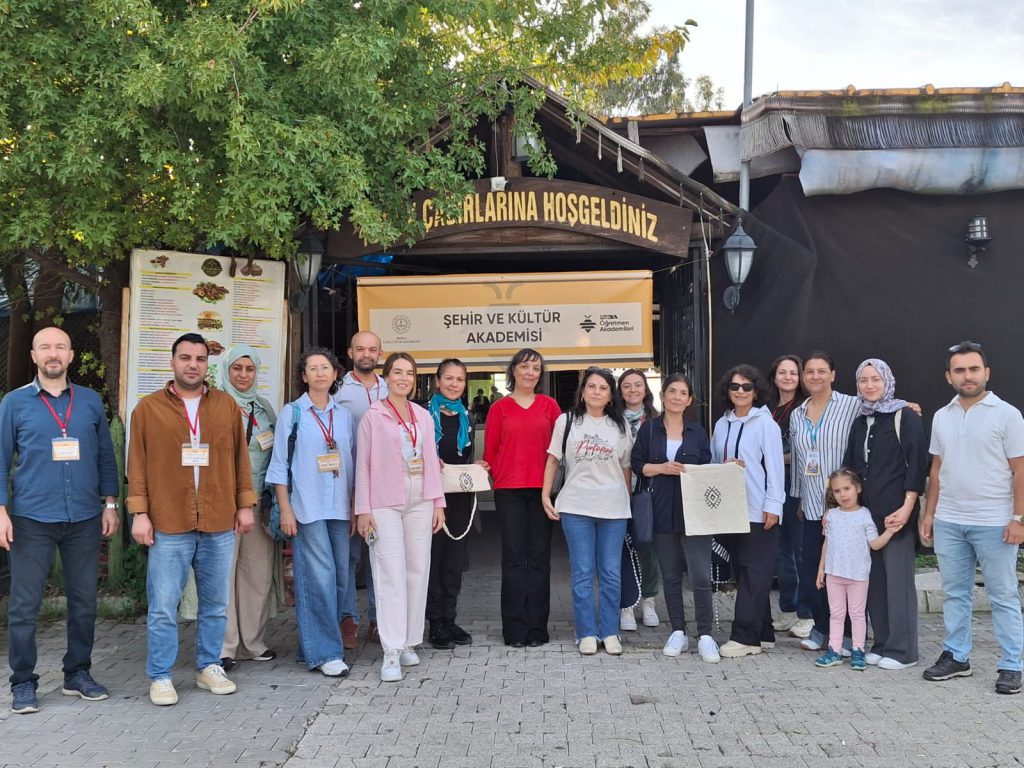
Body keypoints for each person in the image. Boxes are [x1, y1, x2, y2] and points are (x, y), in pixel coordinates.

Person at [128, 333, 256, 706]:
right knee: (164, 605)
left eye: (199, 359)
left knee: (215, 604)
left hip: (218, 520)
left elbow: (239, 461)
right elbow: (136, 464)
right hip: (168, 521)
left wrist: (244, 504)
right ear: (172, 362)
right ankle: (161, 676)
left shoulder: (226, 407)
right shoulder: (148, 410)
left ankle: (208, 666)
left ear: (207, 365)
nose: (192, 365)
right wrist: (140, 513)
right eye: (185, 357)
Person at [0, 327, 120, 714]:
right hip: (30, 519)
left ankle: (77, 673)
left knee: (84, 603)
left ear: (71, 355)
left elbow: (105, 455)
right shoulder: (14, 403)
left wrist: (111, 503)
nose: (53, 354)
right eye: (45, 347)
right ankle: (22, 681)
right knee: (23, 606)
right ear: (33, 356)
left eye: (60, 347)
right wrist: (0, 510)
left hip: (84, 517)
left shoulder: (89, 402)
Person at [920, 341, 1024, 695]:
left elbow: (1020, 472)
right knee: (955, 593)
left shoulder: (1007, 415)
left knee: (1003, 595)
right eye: (960, 370)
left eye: (974, 369)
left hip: (995, 522)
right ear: (949, 377)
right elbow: (936, 469)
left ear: (986, 373)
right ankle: (957, 657)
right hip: (950, 520)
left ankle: (1012, 665)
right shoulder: (941, 416)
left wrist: (1019, 519)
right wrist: (930, 514)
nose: (968, 376)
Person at [355, 353, 446, 682]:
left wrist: (438, 502)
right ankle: (390, 650)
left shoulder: (422, 416)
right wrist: (362, 509)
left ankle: (409, 641)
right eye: (397, 372)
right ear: (386, 377)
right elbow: (363, 465)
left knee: (416, 570)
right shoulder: (373, 415)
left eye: (409, 373)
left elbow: (431, 460)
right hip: (384, 502)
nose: (403, 378)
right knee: (389, 571)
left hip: (420, 499)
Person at [267, 348, 355, 678]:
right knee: (318, 578)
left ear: (335, 375)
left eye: (325, 368)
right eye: (312, 368)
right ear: (303, 376)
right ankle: (326, 652)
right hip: (307, 508)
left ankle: (311, 647)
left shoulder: (344, 416)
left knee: (339, 580)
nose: (320, 373)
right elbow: (278, 467)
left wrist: (357, 507)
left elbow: (354, 464)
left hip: (340, 508)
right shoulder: (293, 414)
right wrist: (286, 509)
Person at [842, 358, 927, 670]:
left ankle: (904, 651)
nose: (869, 385)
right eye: (863, 380)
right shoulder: (860, 420)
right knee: (874, 580)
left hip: (896, 516)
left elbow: (917, 465)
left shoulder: (906, 416)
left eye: (875, 379)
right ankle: (882, 643)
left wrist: (907, 508)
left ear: (887, 381)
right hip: (867, 516)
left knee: (897, 581)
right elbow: (850, 467)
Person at [541, 368, 632, 656]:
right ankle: (586, 632)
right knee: (582, 572)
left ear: (610, 395)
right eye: (591, 386)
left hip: (613, 508)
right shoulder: (566, 421)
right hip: (576, 506)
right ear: (582, 392)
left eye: (603, 388)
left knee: (610, 573)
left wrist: (626, 499)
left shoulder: (620, 426)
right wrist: (545, 493)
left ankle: (610, 631)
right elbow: (553, 460)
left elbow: (626, 468)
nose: (596, 391)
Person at [630, 374, 717, 662]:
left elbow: (707, 469)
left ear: (689, 400)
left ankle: (705, 634)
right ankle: (678, 631)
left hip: (694, 512)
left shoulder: (698, 432)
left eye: (683, 393)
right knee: (670, 575)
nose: (677, 397)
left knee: (701, 575)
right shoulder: (649, 430)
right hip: (661, 509)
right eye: (672, 391)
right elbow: (638, 465)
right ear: (663, 395)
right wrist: (662, 468)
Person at [483, 349, 562, 647]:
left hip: (542, 491)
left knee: (540, 560)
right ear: (513, 370)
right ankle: (514, 630)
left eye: (536, 368)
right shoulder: (499, 409)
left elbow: (557, 452)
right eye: (525, 367)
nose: (530, 373)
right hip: (509, 492)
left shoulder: (549, 406)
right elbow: (490, 451)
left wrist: (550, 489)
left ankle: (538, 629)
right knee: (515, 559)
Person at [788, 352, 862, 652]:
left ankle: (845, 635)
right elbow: (799, 459)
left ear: (833, 374)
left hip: (844, 507)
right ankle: (820, 628)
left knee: (843, 572)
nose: (815, 376)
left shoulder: (851, 405)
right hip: (812, 505)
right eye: (809, 371)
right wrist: (799, 497)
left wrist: (905, 407)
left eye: (821, 371)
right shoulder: (798, 413)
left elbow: (881, 409)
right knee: (812, 573)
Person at [712, 365, 785, 659]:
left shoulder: (766, 424)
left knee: (755, 572)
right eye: (734, 386)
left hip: (758, 509)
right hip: (731, 510)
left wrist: (773, 506)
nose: (740, 392)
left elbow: (776, 470)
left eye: (746, 387)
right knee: (744, 572)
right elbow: (715, 464)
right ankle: (763, 631)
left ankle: (745, 637)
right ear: (727, 391)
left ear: (757, 391)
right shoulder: (721, 424)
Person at [219, 345, 279, 671]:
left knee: (256, 575)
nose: (243, 375)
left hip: (259, 504)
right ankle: (225, 647)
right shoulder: (213, 404)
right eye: (237, 368)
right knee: (224, 575)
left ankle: (252, 644)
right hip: (225, 505)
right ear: (226, 370)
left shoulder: (264, 408)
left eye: (249, 369)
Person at [426, 359, 488, 649]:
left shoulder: (468, 417)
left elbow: (463, 458)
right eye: (448, 378)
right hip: (430, 498)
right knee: (433, 560)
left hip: (460, 497)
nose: (453, 384)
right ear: (437, 381)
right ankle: (435, 622)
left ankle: (450, 619)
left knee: (454, 562)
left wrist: (475, 465)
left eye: (459, 380)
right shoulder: (423, 415)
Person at [813, 468, 901, 670]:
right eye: (837, 491)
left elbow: (875, 544)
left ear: (858, 488)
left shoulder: (864, 515)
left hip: (858, 575)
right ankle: (834, 650)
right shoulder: (832, 516)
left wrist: (889, 532)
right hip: (834, 573)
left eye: (847, 488)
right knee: (836, 613)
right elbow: (827, 543)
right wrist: (821, 569)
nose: (843, 494)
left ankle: (858, 650)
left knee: (857, 614)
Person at [334, 331, 388, 649]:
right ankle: (348, 620)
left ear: (380, 353)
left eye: (372, 349)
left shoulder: (389, 387)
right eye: (360, 349)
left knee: (379, 555)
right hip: (344, 485)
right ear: (350, 352)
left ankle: (379, 622)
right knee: (348, 557)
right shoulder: (338, 389)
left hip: (381, 486)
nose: (366, 354)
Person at [767, 354, 813, 638]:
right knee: (780, 552)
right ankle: (788, 610)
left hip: (796, 486)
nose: (787, 377)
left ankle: (807, 614)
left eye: (793, 373)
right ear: (774, 377)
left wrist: (772, 458)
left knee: (799, 551)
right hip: (773, 487)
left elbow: (801, 452)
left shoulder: (805, 409)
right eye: (782, 372)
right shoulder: (768, 410)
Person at [616, 369, 662, 632]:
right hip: (616, 494)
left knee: (647, 547)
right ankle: (626, 606)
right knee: (621, 549)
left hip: (647, 494)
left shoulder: (657, 421)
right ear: (620, 391)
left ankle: (649, 600)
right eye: (626, 386)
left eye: (638, 385)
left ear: (645, 389)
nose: (633, 390)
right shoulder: (611, 421)